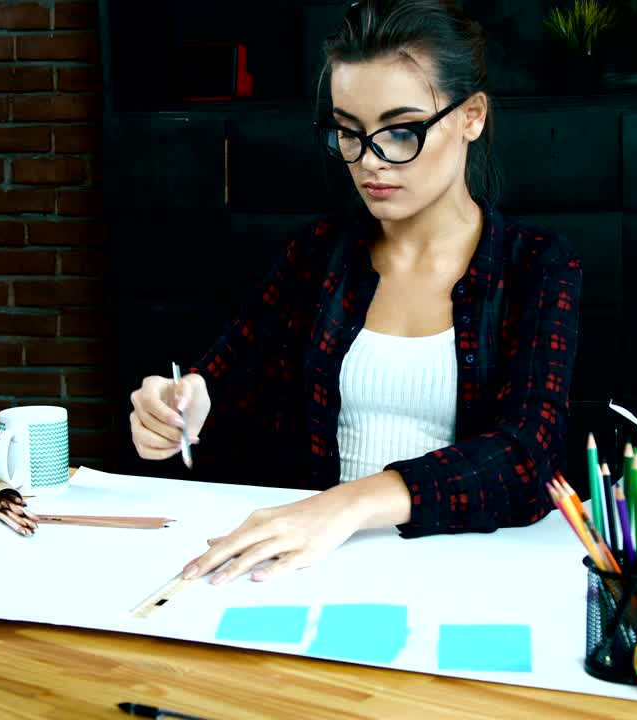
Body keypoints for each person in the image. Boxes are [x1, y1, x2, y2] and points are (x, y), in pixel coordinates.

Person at [128, 0, 581, 585]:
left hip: (467, 577)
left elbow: (528, 455)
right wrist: (181, 408)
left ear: (471, 116)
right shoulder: (315, 257)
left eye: (400, 131)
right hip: (312, 572)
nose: (370, 162)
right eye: (348, 133)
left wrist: (347, 505)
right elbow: (224, 380)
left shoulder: (536, 265)